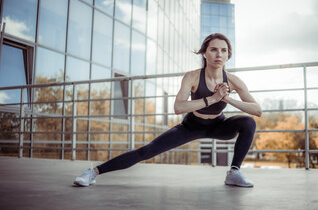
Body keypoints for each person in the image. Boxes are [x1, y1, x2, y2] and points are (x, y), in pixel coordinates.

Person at [74, 33, 262, 188]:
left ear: (228, 55)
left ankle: (234, 172)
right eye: (213, 49)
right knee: (146, 151)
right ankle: (93, 172)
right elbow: (178, 107)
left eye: (223, 50)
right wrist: (212, 99)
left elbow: (257, 110)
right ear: (204, 53)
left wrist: (227, 98)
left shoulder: (234, 81)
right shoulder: (192, 77)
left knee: (248, 122)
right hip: (191, 126)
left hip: (219, 125)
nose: (218, 54)